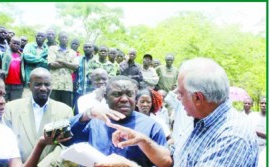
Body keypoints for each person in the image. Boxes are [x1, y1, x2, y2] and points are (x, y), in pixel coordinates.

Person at [96, 58, 258, 167]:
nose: (176, 97)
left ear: (198, 98)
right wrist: (142, 140)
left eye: (180, 93)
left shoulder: (233, 137)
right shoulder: (201, 121)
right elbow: (172, 158)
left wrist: (129, 165)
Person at [0, 66, 69, 167]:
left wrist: (41, 144)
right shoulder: (11, 111)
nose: (2, 101)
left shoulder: (5, 133)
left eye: (3, 95)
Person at [65, 75, 167, 167]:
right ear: (105, 97)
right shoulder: (94, 122)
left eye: (129, 94)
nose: (124, 99)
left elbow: (165, 163)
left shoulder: (152, 126)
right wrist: (87, 114)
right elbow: (65, 138)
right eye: (117, 94)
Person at [3, 67, 74, 166]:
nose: (43, 88)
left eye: (47, 84)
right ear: (29, 86)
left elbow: (64, 146)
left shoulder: (65, 111)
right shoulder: (11, 109)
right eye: (38, 84)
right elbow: (7, 143)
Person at [48, 31, 79, 107]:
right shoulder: (52, 49)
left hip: (67, 86)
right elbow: (52, 64)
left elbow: (75, 66)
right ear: (58, 39)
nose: (64, 39)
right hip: (54, 85)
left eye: (66, 37)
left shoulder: (72, 52)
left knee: (66, 108)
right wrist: (68, 64)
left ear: (68, 39)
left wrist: (62, 62)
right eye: (62, 37)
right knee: (52, 108)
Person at [0, 36, 25, 102]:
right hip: (5, 84)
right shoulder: (3, 54)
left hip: (18, 85)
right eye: (14, 43)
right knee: (2, 103)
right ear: (9, 43)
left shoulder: (22, 55)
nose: (16, 45)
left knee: (15, 105)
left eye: (18, 44)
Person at [74, 42, 95, 115]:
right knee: (78, 112)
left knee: (92, 113)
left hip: (92, 92)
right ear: (83, 49)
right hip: (80, 90)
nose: (88, 49)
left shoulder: (97, 60)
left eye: (90, 47)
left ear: (93, 48)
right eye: (86, 47)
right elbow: (75, 72)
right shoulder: (78, 59)